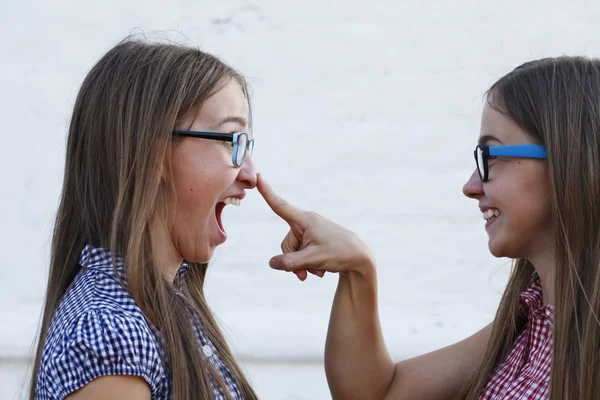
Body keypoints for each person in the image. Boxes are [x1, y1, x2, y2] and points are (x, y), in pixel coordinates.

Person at [257, 57, 600, 399]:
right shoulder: (529, 322)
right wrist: (358, 268)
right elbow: (379, 394)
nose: (470, 186)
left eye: (490, 155)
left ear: (569, 157)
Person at [30, 37, 260, 400]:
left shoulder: (168, 301)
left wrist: (357, 273)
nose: (251, 174)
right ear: (153, 153)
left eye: (246, 144)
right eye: (231, 140)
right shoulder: (110, 333)